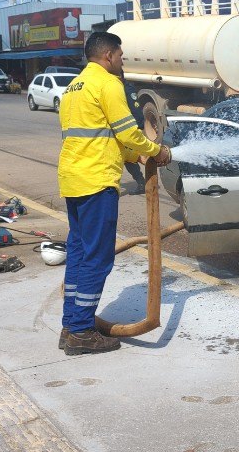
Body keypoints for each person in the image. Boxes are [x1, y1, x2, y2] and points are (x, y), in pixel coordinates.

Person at [57, 31, 171, 355]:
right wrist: (156, 151)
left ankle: (71, 325)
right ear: (108, 56)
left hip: (73, 180)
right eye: (120, 56)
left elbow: (101, 136)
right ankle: (82, 331)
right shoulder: (108, 84)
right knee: (97, 258)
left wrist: (136, 156)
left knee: (79, 254)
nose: (122, 62)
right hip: (96, 182)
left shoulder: (74, 87)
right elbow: (128, 132)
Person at [120, 69, 148, 190]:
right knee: (128, 158)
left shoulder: (127, 88)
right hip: (124, 128)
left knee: (129, 158)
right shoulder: (118, 87)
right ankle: (141, 182)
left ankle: (142, 183)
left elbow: (135, 109)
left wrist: (139, 127)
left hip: (129, 128)